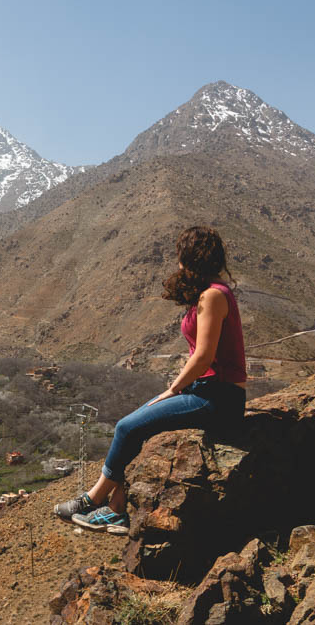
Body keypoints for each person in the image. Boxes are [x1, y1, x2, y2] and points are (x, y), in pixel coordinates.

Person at [53, 226, 247, 533]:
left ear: (190, 257)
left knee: (127, 427)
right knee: (138, 425)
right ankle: (116, 509)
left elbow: (204, 356)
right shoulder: (211, 292)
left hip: (218, 397)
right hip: (208, 390)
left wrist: (174, 388)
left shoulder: (212, 296)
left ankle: (93, 500)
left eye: (180, 257)